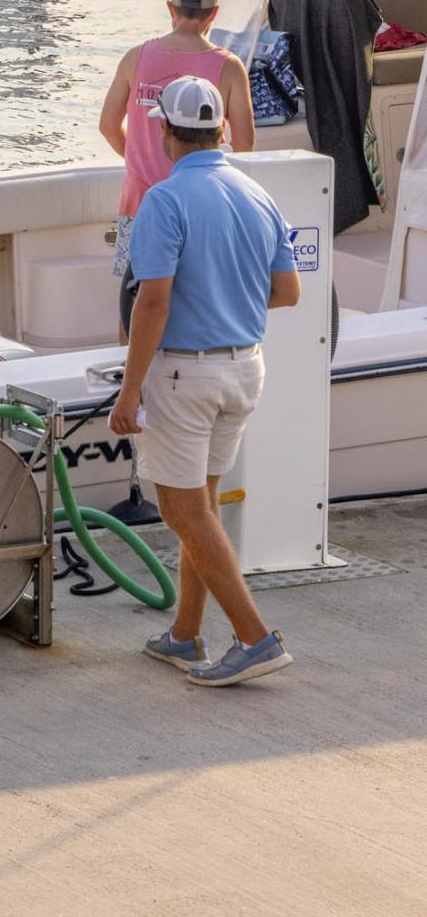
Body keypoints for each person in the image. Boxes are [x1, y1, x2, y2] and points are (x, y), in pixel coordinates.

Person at [108, 75, 300, 686]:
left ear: (165, 132)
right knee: (203, 505)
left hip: (185, 374)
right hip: (246, 367)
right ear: (222, 128)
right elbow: (287, 292)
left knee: (184, 509)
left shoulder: (164, 201)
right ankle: (186, 637)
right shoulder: (256, 192)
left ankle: (254, 638)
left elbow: (153, 303)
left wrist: (129, 388)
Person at [99, 0, 254, 300]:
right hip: (201, 206)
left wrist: (139, 158)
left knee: (135, 303)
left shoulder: (135, 57)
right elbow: (244, 146)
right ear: (213, 14)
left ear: (171, 9)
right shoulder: (229, 67)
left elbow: (109, 125)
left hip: (139, 204)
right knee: (195, 299)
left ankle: (132, 353)